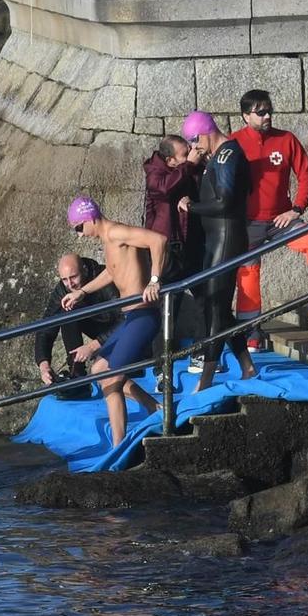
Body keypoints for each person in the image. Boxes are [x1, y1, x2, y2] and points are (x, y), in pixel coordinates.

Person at [232, 89, 308, 327]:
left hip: (281, 220)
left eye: (269, 110)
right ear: (245, 116)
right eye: (260, 112)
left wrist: (297, 209)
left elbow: (306, 175)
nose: (267, 116)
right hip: (248, 224)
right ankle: (251, 334)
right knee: (248, 275)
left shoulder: (286, 139)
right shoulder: (234, 143)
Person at [61, 197, 166, 447]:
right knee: (99, 370)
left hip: (143, 315)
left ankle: (119, 444)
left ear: (90, 218)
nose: (80, 235)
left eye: (79, 228)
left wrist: (154, 281)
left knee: (111, 380)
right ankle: (155, 407)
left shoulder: (117, 232)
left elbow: (158, 240)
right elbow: (112, 271)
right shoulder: (108, 241)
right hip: (131, 318)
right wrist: (82, 292)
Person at [181, 112, 260, 388]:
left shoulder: (228, 155)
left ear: (206, 132)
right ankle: (247, 366)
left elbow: (225, 202)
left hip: (226, 239)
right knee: (218, 308)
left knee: (215, 307)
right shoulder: (218, 156)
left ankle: (206, 378)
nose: (194, 147)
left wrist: (192, 207)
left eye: (195, 141)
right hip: (217, 239)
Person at [35, 254, 121, 386]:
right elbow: (45, 329)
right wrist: (43, 365)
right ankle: (77, 374)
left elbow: (125, 318)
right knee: (67, 310)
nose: (70, 284)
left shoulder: (104, 278)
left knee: (100, 370)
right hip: (100, 330)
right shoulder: (63, 290)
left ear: (84, 270)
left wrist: (93, 346)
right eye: (64, 279)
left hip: (123, 332)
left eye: (73, 277)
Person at [141, 135, 198, 285]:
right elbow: (164, 188)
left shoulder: (182, 169)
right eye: (185, 155)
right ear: (170, 161)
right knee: (167, 291)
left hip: (187, 241)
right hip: (166, 246)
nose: (190, 156)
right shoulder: (155, 174)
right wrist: (189, 164)